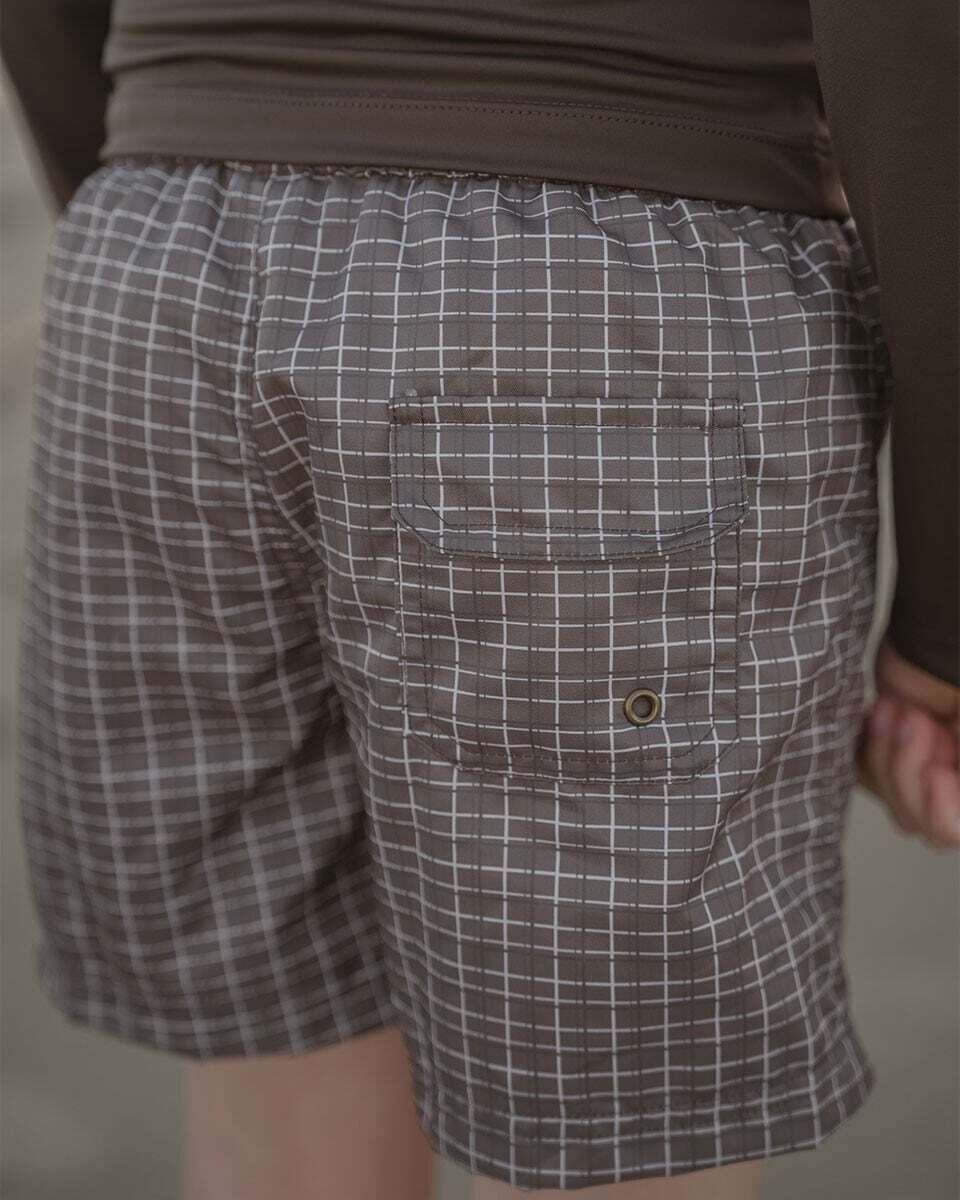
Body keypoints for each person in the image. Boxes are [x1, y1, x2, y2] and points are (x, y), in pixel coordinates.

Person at [3, 3, 957, 1198]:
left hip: (157, 270)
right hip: (596, 272)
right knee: (613, 1132)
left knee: (277, 1115)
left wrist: (140, 197)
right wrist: (945, 626)